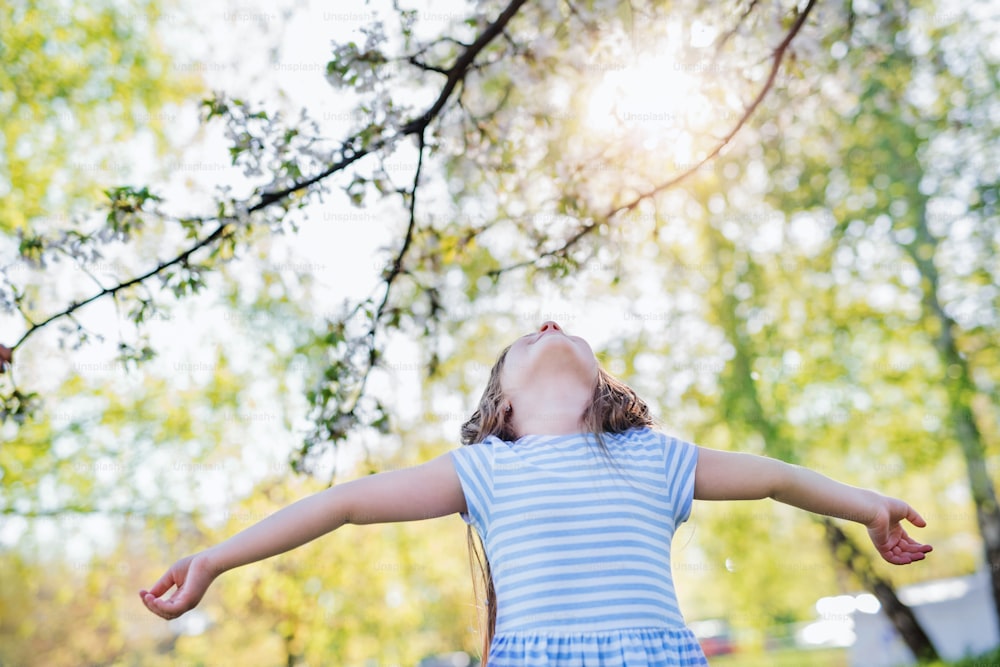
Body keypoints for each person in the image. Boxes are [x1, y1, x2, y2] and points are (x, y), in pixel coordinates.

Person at [140, 320, 932, 665]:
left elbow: (774, 478)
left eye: (566, 332)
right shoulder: (485, 470)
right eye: (528, 336)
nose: (549, 324)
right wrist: (214, 558)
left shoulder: (652, 457)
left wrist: (864, 502)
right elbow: (340, 503)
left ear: (602, 386)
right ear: (500, 409)